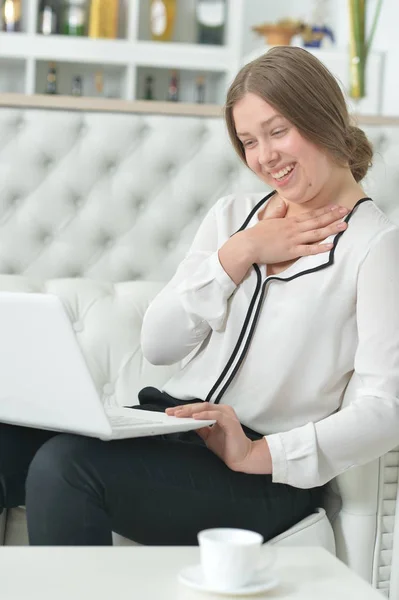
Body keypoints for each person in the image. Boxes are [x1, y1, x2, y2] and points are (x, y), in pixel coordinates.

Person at [1, 46, 399, 546]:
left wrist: (259, 454)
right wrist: (239, 253)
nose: (265, 156)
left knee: (68, 467)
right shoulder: (233, 218)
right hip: (167, 429)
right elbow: (160, 344)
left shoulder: (377, 248)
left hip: (257, 476)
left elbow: (387, 408)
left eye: (278, 131)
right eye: (249, 141)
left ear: (324, 120)